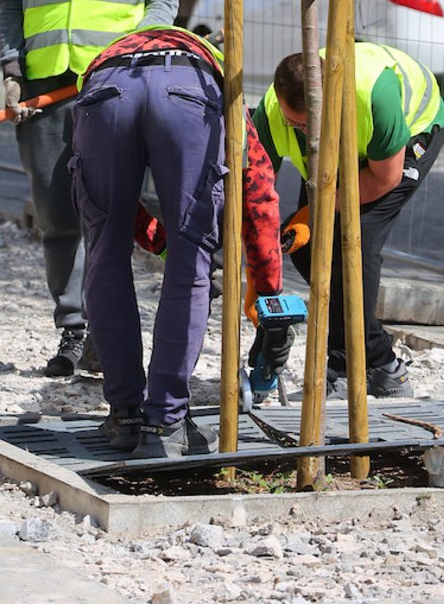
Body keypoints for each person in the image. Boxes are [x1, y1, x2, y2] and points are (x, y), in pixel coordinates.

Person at [0, 0, 179, 378]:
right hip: (46, 91)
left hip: (116, 90)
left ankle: (108, 331)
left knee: (112, 211)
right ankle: (72, 330)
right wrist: (11, 67)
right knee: (58, 216)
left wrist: (135, 50)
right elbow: (8, 1)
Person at [70, 26, 285, 458]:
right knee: (191, 261)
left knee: (104, 253)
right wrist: (269, 296)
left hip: (103, 90)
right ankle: (165, 423)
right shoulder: (218, 71)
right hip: (189, 97)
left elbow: (109, 208)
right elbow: (258, 191)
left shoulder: (115, 52)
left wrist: (155, 238)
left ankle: (126, 414)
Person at [251, 41, 444, 399]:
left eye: (313, 124)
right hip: (346, 151)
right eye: (295, 126)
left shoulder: (375, 96)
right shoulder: (268, 112)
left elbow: (383, 178)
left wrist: (313, 212)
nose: (305, 135)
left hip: (411, 133)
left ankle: (344, 369)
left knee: (354, 245)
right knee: (308, 250)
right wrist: (257, 267)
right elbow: (255, 193)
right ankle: (382, 362)